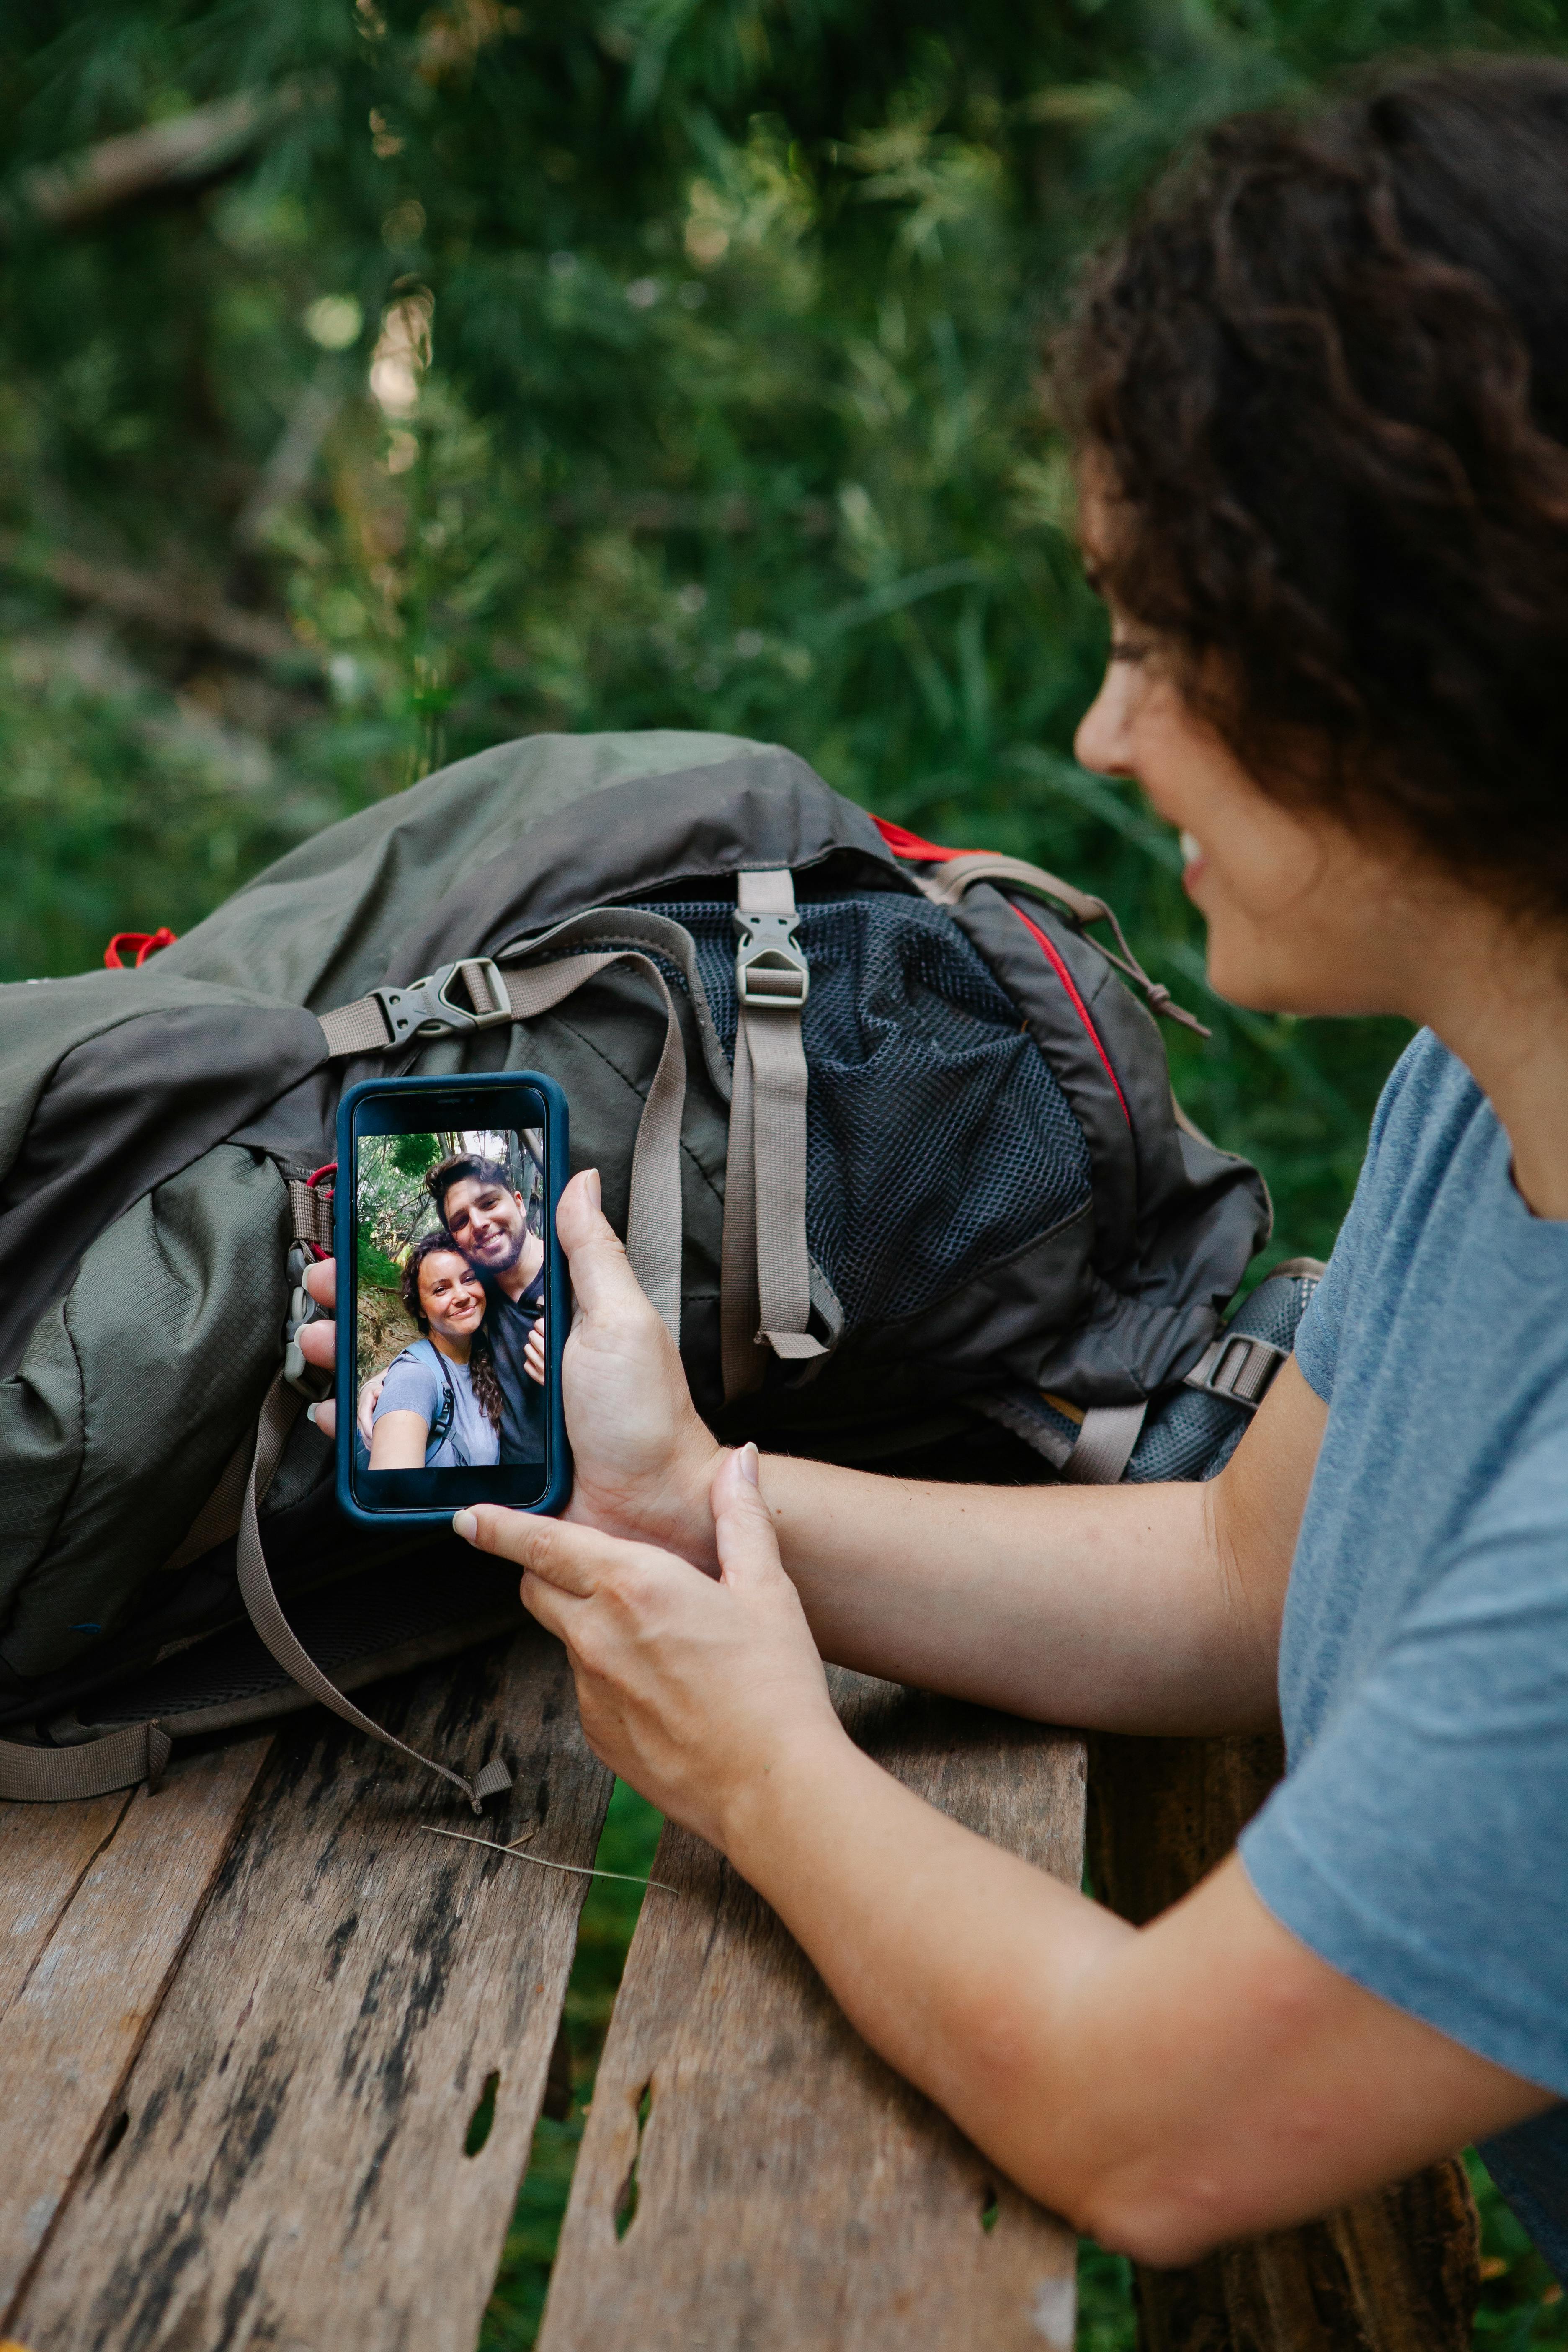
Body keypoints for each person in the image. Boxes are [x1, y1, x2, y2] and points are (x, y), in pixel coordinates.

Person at [304, 62, 1568, 2279]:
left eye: (1165, 645)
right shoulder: (1493, 1096)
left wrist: (768, 1772)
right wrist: (688, 1499)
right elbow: (1243, 1575)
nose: (1101, 731)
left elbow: (1148, 2114)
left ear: (1435, 663)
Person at [357, 1150, 547, 1464]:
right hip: (506, 1492)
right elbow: (435, 1354)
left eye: (489, 1203)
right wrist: (380, 1384)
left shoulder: (576, 1280)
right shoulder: (484, 1292)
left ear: (519, 1202)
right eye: (461, 1220)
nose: (480, 1223)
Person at [366, 1231, 502, 1469]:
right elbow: (392, 1495)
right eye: (441, 1290)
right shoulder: (414, 1378)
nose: (462, 1296)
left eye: (469, 1279)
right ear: (420, 1308)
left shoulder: (485, 1355)